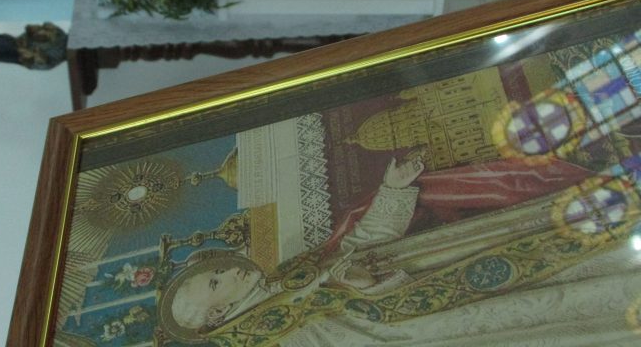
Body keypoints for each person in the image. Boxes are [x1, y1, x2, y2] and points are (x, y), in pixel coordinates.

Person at [157, 153, 639, 346]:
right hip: (445, 321)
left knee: (547, 241)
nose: (228, 271)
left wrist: (392, 191)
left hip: (436, 258)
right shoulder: (281, 340)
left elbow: (358, 244)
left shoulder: (284, 278)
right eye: (215, 283)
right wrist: (371, 290)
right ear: (215, 316)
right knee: (565, 298)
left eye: (215, 271)